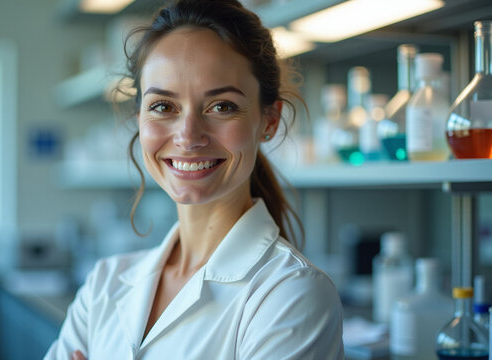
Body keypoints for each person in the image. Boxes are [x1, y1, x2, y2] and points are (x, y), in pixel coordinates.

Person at [45, 0, 344, 358]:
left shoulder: (291, 294)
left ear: (269, 120)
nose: (188, 136)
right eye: (163, 106)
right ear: (138, 117)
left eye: (222, 106)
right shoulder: (104, 284)